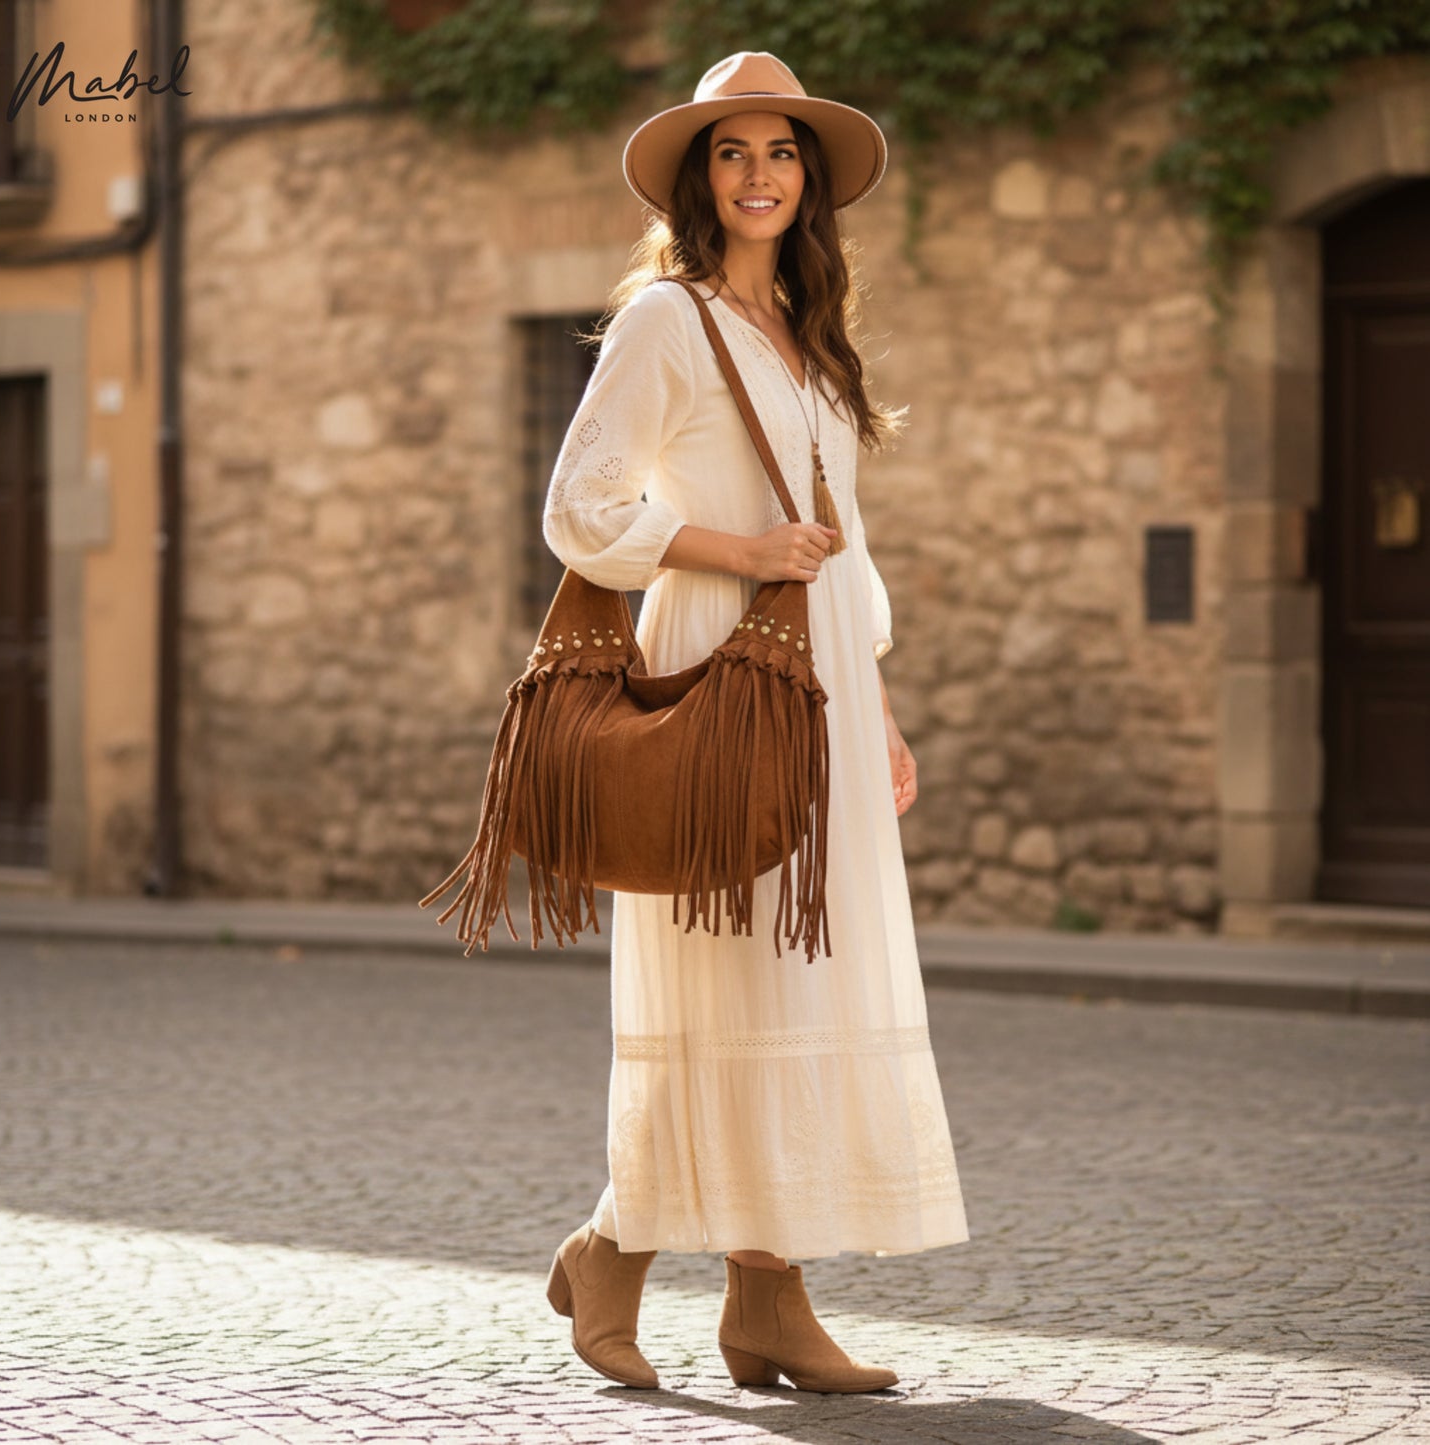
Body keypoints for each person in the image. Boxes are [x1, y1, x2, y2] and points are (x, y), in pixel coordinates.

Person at [539, 51, 970, 1394]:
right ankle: (614, 1245)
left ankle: (765, 1304)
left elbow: (842, 548)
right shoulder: (666, 321)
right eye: (730, 152)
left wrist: (879, 711)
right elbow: (582, 504)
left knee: (801, 981)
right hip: (717, 674)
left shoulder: (815, 338)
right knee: (721, 977)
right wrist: (738, 545)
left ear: (811, 180)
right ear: (697, 177)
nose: (758, 174)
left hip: (822, 681)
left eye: (780, 152)